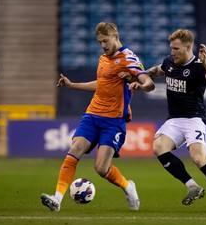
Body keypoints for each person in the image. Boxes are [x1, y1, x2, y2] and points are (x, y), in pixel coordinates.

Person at [40, 22, 155, 212]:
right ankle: (57, 199)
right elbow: (101, 84)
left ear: (116, 37)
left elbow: (149, 83)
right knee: (75, 148)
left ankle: (128, 187)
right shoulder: (103, 58)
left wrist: (139, 85)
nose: (103, 45)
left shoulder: (128, 58)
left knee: (101, 168)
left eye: (105, 41)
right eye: (100, 42)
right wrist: (72, 85)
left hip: (114, 121)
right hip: (93, 114)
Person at [146, 29, 206, 212]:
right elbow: (158, 70)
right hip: (174, 120)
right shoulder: (169, 62)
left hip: (194, 119)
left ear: (188, 47)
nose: (172, 52)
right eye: (171, 48)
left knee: (199, 159)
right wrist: (141, 75)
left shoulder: (198, 67)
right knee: (158, 147)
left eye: (176, 49)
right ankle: (191, 185)